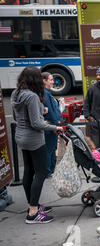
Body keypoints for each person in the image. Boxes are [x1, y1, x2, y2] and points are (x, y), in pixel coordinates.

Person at [11, 66, 63, 224]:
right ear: (35, 79)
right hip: (34, 138)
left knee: (28, 170)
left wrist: (41, 110)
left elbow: (17, 116)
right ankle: (33, 212)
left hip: (20, 136)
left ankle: (31, 204)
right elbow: (36, 123)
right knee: (40, 173)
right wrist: (55, 127)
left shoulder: (16, 93)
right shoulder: (32, 96)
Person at [41, 72, 63, 178]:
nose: (53, 82)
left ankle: (51, 170)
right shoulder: (44, 93)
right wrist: (56, 125)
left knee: (53, 148)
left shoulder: (46, 92)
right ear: (44, 81)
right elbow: (49, 112)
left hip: (52, 126)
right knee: (50, 149)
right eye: (50, 80)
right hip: (50, 126)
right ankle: (48, 171)